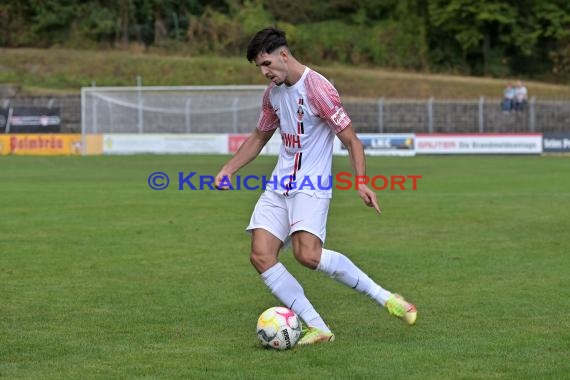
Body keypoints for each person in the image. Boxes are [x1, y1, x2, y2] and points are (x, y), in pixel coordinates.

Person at [214, 27, 417, 346]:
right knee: (261, 255)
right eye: (259, 68)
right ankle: (318, 328)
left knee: (307, 256)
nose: (264, 73)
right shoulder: (273, 95)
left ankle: (387, 298)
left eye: (266, 64)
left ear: (283, 55)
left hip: (311, 185)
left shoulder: (318, 88)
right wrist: (228, 168)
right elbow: (258, 137)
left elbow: (351, 141)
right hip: (279, 185)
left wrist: (361, 182)